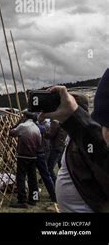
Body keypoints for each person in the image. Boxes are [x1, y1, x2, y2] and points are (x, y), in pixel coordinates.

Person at [39, 71, 109, 213]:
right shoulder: (83, 136)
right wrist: (72, 116)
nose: (105, 135)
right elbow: (101, 154)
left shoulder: (72, 136)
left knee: (48, 169)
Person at [9, 111, 42, 208]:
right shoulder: (37, 128)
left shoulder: (23, 126)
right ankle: (33, 199)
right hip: (33, 156)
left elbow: (11, 132)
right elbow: (39, 143)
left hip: (23, 155)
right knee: (33, 178)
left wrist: (18, 123)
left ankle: (22, 200)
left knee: (21, 177)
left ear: (24, 117)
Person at [35, 119, 57, 202]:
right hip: (42, 151)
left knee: (44, 174)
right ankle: (53, 195)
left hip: (39, 152)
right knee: (45, 174)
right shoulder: (44, 126)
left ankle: (53, 195)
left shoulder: (41, 127)